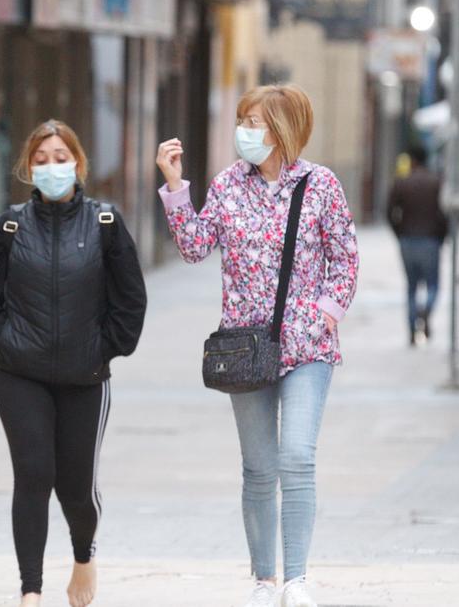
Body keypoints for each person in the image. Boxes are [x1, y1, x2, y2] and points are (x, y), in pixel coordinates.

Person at [154, 85, 359, 607]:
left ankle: (297, 580)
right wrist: (176, 188)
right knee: (259, 466)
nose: (244, 130)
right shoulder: (227, 185)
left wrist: (325, 315)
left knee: (296, 457)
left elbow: (345, 258)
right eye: (242, 119)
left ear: (284, 129)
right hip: (244, 348)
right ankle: (263, 581)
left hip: (307, 347)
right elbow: (196, 247)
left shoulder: (320, 186)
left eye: (255, 121)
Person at [0, 120, 147, 607]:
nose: (51, 166)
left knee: (75, 487)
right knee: (33, 473)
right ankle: (31, 591)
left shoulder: (105, 224)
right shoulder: (10, 226)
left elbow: (130, 302)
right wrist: (10, 339)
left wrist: (105, 347)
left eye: (60, 156)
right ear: (28, 168)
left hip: (85, 378)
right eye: (41, 159)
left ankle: (84, 556)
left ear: (78, 163)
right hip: (21, 375)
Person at [386, 145, 448, 345]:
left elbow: (389, 211)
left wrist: (399, 232)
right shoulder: (436, 182)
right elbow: (443, 213)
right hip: (430, 240)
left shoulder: (401, 183)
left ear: (411, 160)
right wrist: (442, 236)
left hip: (408, 240)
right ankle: (426, 309)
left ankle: (412, 332)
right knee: (433, 285)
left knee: (411, 287)